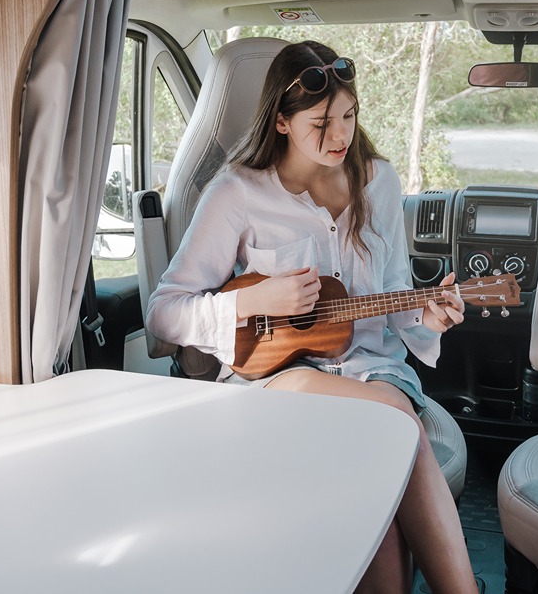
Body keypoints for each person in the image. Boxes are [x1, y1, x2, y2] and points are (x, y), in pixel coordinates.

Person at [147, 40, 477, 594]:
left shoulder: (379, 182)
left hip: (372, 371)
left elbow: (394, 295)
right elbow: (164, 314)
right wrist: (253, 301)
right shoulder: (236, 194)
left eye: (348, 117)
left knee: (381, 481)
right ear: (280, 120)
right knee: (398, 427)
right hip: (275, 378)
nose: (339, 136)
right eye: (320, 123)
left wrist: (429, 317)